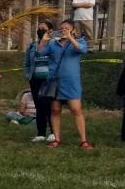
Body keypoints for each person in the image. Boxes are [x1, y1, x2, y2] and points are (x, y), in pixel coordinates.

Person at [39, 20, 92, 149]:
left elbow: (82, 50)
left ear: (73, 30)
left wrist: (70, 39)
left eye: (66, 28)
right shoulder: (53, 44)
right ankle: (56, 139)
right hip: (55, 82)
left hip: (71, 82)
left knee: (76, 109)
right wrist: (43, 40)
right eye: (61, 28)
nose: (63, 30)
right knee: (55, 110)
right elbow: (40, 52)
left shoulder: (79, 42)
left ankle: (84, 140)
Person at [24, 22, 55, 142]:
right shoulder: (32, 46)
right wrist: (28, 75)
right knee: (39, 106)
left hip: (49, 80)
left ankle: (53, 132)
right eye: (39, 28)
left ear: (50, 31)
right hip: (35, 79)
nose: (41, 29)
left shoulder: (53, 44)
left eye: (44, 28)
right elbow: (27, 62)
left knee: (49, 106)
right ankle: (41, 133)